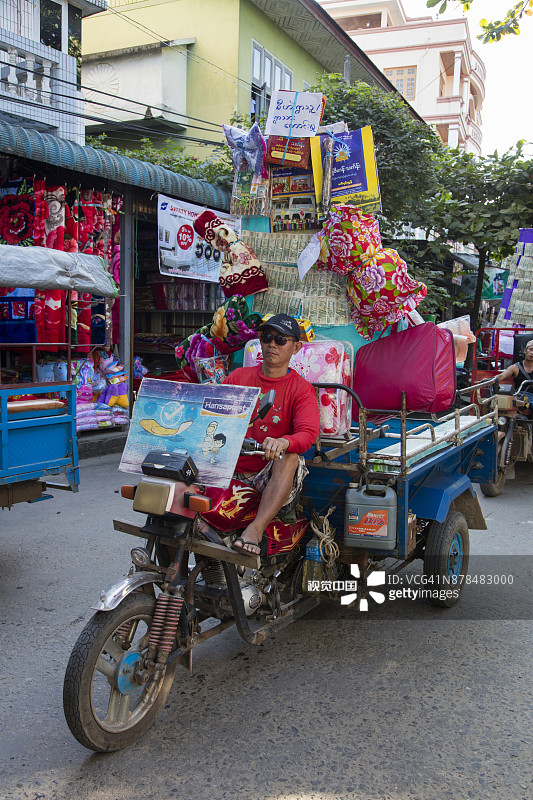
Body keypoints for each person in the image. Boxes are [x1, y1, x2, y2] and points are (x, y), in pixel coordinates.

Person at [222, 313, 320, 555]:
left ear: (296, 347)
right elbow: (213, 413)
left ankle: (256, 529)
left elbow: (308, 433)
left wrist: (283, 442)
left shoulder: (301, 389)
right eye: (266, 337)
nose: (272, 344)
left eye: (280, 339)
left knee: (290, 456)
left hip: (268, 473)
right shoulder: (238, 378)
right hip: (228, 467)